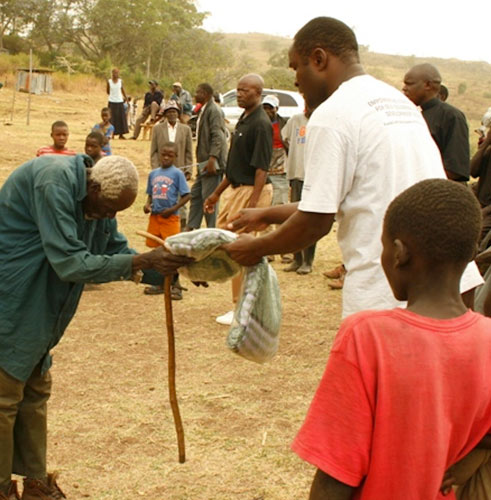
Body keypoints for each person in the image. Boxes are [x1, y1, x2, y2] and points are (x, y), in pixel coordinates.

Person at [223, 17, 482, 319]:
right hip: (452, 282)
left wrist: (255, 248)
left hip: (390, 290)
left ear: (318, 59)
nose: (295, 80)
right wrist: (268, 214)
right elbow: (352, 197)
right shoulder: (396, 102)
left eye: (296, 67)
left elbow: (315, 222)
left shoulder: (333, 114)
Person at [0, 154, 190, 500]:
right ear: (93, 185)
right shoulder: (53, 182)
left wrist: (172, 268)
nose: (109, 217)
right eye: (107, 208)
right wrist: (139, 261)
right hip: (13, 292)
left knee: (35, 390)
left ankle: (36, 485)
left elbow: (114, 248)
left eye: (116, 212)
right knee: (5, 393)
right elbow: (70, 263)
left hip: (40, 299)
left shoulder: (97, 200)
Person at [292, 178, 491, 500]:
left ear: (399, 253)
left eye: (383, 246)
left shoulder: (367, 337)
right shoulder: (487, 339)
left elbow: (335, 476)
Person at [204, 73, 273, 326]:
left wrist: (252, 206)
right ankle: (243, 304)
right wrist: (216, 192)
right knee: (231, 247)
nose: (240, 94)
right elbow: (235, 166)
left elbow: (261, 170)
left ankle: (242, 308)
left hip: (251, 192)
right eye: (238, 90)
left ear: (258, 93)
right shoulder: (244, 120)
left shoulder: (261, 124)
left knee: (242, 249)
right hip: (236, 188)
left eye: (245, 90)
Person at [403, 63, 470, 182]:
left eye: (409, 84)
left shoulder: (451, 116)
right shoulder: (414, 115)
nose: (404, 88)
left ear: (428, 85)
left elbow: (455, 170)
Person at [143, 142, 191, 299]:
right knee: (157, 251)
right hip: (156, 217)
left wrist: (172, 209)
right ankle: (159, 283)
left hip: (170, 218)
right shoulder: (154, 174)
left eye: (170, 155)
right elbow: (150, 194)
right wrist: (147, 205)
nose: (166, 157)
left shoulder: (177, 174)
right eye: (163, 154)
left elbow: (187, 195)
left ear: (175, 157)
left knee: (172, 251)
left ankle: (175, 285)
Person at [281, 107, 317, 275]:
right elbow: (285, 138)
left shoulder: (321, 120)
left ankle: (308, 260)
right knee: (294, 217)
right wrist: (294, 155)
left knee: (310, 219)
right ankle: (297, 259)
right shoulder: (295, 120)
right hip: (296, 174)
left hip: (313, 177)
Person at [187, 82, 228, 230]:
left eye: (197, 92)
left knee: (209, 198)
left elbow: (218, 136)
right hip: (203, 162)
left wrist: (213, 158)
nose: (195, 95)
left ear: (206, 94)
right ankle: (191, 228)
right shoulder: (204, 110)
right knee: (196, 195)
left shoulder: (214, 110)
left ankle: (212, 230)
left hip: (211, 163)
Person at [150, 101, 193, 229]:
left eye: (174, 112)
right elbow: (153, 151)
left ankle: (182, 227)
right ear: (165, 114)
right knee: (163, 197)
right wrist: (156, 169)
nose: (172, 114)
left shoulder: (186, 129)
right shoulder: (158, 129)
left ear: (178, 114)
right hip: (162, 171)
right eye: (169, 112)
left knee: (181, 200)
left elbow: (189, 151)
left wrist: (188, 169)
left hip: (180, 169)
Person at [471, 126, 491, 243]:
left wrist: (484, 211)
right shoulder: (488, 151)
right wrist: (486, 143)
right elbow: (472, 171)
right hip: (480, 204)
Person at [106, 68, 129, 139]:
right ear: (112, 73)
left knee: (120, 118)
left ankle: (121, 134)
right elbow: (108, 91)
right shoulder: (109, 82)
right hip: (112, 102)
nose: (115, 74)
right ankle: (112, 134)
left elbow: (122, 90)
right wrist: (113, 95)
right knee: (112, 118)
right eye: (114, 73)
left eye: (117, 73)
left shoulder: (120, 81)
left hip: (119, 101)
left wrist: (126, 98)